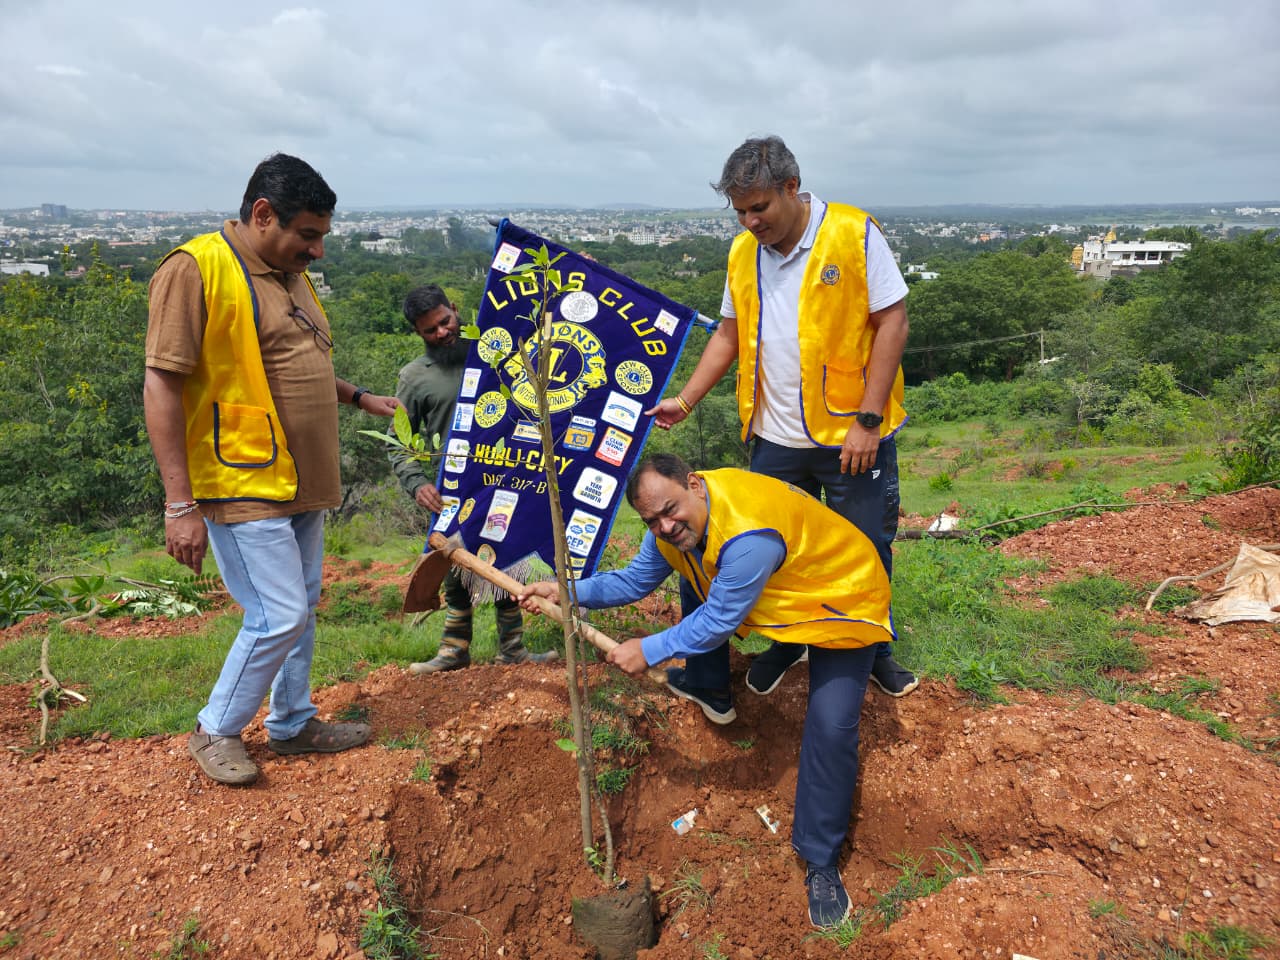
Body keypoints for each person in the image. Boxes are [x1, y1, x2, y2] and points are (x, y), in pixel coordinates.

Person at [519, 453, 893, 927]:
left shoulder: (748, 535)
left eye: (670, 510)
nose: (665, 526)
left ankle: (820, 862)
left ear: (693, 484)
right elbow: (635, 579)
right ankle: (748, 666)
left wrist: (650, 648)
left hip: (843, 595)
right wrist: (566, 591)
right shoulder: (673, 522)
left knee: (831, 725)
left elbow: (718, 621)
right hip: (792, 588)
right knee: (694, 567)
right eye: (651, 520)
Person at [143, 153, 400, 786]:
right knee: (278, 613)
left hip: (301, 478)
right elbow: (162, 382)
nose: (316, 250)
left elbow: (291, 357)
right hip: (240, 476)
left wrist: (358, 396)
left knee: (302, 607)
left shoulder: (288, 272)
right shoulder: (196, 268)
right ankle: (216, 728)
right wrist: (180, 503)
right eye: (307, 234)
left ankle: (291, 724)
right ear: (263, 214)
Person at [647, 134, 918, 701]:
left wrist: (868, 420)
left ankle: (875, 651)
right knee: (771, 550)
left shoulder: (852, 232)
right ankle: (786, 640)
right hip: (772, 436)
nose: (749, 222)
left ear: (791, 188)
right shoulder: (743, 253)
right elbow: (729, 333)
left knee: (865, 546)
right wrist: (688, 398)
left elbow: (893, 322)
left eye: (759, 207)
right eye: (740, 211)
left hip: (850, 433)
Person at [390, 284, 557, 673]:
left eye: (445, 322)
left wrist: (560, 287)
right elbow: (397, 442)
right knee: (454, 560)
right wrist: (417, 484)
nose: (442, 333)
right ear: (419, 333)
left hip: (508, 481)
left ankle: (512, 648)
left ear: (454, 307)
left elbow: (543, 329)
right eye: (430, 330)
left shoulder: (495, 354)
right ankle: (453, 650)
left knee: (507, 559)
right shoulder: (414, 377)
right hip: (453, 491)